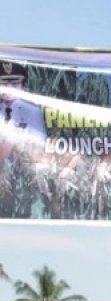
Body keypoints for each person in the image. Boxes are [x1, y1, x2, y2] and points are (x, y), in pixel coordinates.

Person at [0, 60, 47, 218]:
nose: (8, 90)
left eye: (14, 84)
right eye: (3, 84)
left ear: (23, 86)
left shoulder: (33, 112)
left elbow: (39, 149)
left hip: (25, 179)